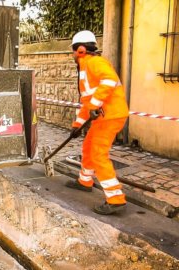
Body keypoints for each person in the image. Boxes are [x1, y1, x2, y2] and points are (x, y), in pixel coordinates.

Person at [65, 30, 129, 215]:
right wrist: (77, 125)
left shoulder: (95, 63)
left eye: (73, 50)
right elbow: (88, 101)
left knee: (98, 154)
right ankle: (85, 181)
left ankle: (115, 199)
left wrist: (94, 104)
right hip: (103, 116)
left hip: (110, 116)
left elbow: (109, 80)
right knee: (88, 146)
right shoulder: (86, 67)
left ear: (81, 49)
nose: (72, 55)